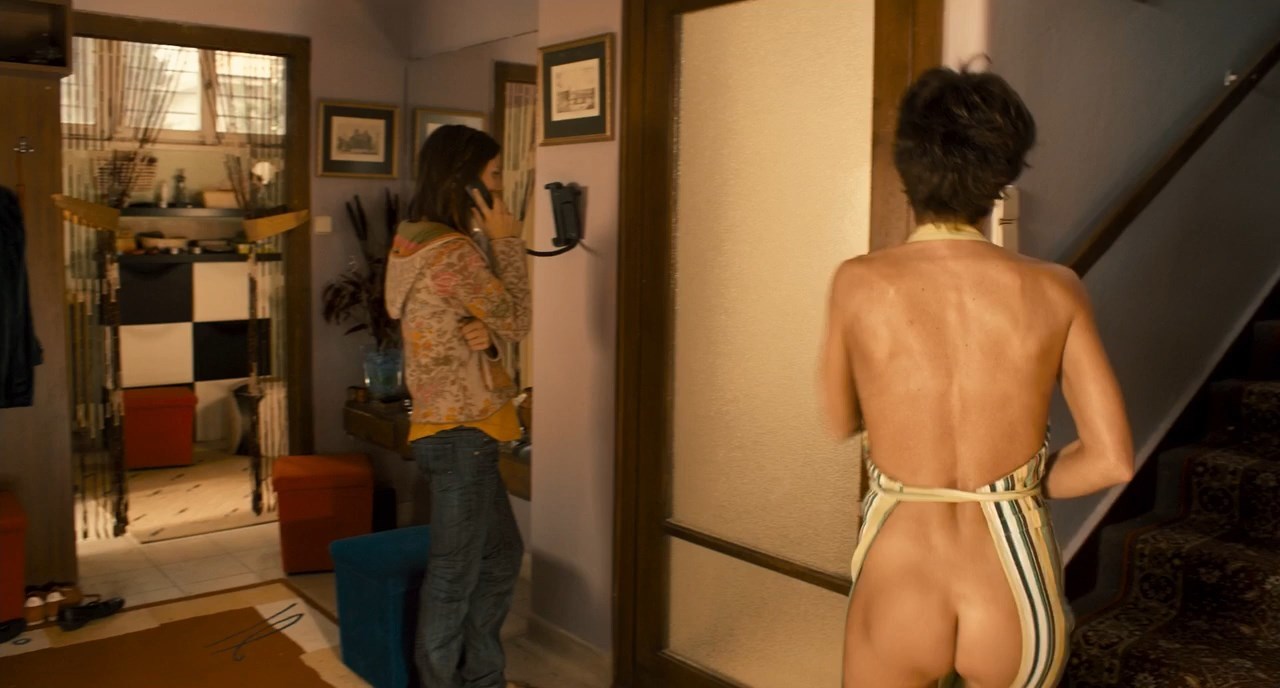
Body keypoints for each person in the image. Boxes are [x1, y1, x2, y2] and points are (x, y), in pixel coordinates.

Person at [820, 67, 1134, 687]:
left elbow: (838, 418)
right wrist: (1015, 486)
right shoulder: (1057, 289)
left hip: (899, 578)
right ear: (1000, 179)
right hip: (1014, 582)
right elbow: (1112, 462)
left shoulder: (857, 283)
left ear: (907, 170)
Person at [385, 124, 531, 688]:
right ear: (464, 179)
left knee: (500, 555)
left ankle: (483, 678)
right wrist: (507, 240)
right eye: (493, 175)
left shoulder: (411, 241)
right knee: (454, 575)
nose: (499, 187)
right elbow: (517, 320)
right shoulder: (454, 251)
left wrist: (482, 335)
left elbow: (453, 326)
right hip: (462, 432)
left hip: (450, 428)